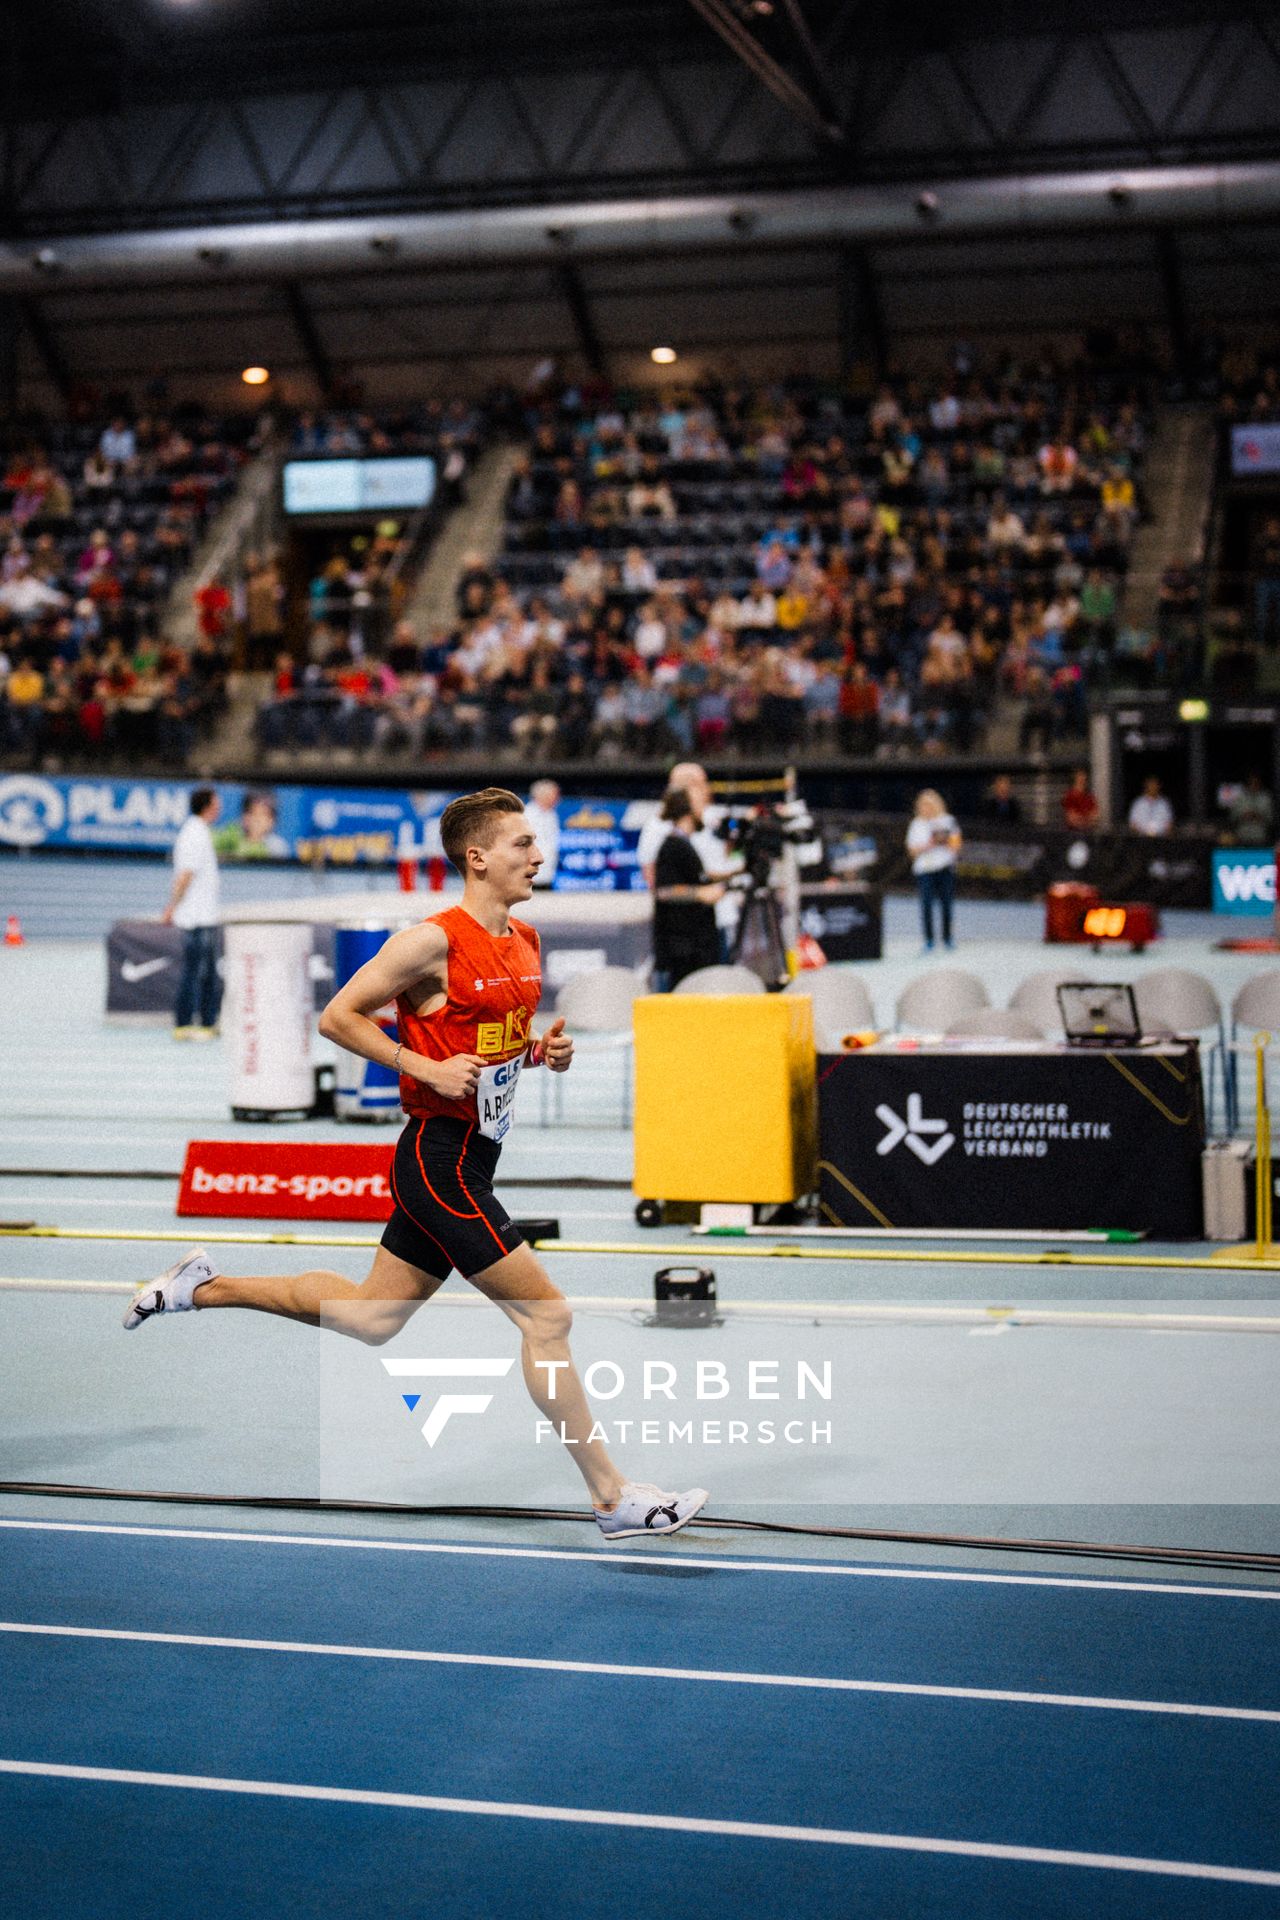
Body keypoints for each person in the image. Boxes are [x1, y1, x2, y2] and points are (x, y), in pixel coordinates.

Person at [124, 786, 707, 1543]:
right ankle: (612, 1499)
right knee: (549, 1316)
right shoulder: (430, 940)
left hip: (474, 1159)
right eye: (522, 844)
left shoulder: (525, 941)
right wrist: (419, 1067)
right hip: (439, 1164)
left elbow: (492, 1040)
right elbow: (338, 1016)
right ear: (478, 857)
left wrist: (540, 1051)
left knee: (371, 1317)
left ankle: (202, 1288)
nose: (538, 854)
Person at [652, 788, 725, 989]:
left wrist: (734, 873)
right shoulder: (672, 846)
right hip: (683, 950)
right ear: (687, 810)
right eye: (701, 806)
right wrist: (701, 894)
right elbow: (664, 891)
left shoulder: (685, 844)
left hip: (696, 947)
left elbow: (696, 877)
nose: (704, 812)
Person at [164, 787, 222, 1040]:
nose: (220, 806)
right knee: (195, 973)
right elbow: (185, 875)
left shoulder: (199, 831)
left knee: (206, 973)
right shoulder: (193, 834)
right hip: (196, 918)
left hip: (204, 915)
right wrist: (172, 907)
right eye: (216, 802)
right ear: (207, 805)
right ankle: (185, 1022)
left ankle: (207, 1022)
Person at [907, 788, 961, 952]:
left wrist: (946, 843)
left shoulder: (948, 821)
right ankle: (929, 940)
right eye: (923, 805)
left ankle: (947, 938)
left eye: (929, 805)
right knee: (926, 906)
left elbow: (957, 845)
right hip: (925, 871)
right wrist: (928, 845)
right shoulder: (916, 824)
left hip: (945, 869)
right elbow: (912, 851)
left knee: (946, 905)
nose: (926, 809)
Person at [524, 779, 561, 887]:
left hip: (548, 873)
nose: (558, 798)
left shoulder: (552, 815)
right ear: (544, 795)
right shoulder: (527, 815)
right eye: (555, 795)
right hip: (530, 875)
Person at [1227, 771, 1275, 847]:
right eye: (1251, 783)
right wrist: (1243, 816)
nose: (1254, 785)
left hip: (1260, 836)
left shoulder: (1266, 798)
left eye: (1256, 783)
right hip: (1242, 836)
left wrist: (1258, 816)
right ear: (1247, 784)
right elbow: (1232, 818)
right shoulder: (1239, 798)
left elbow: (1271, 819)